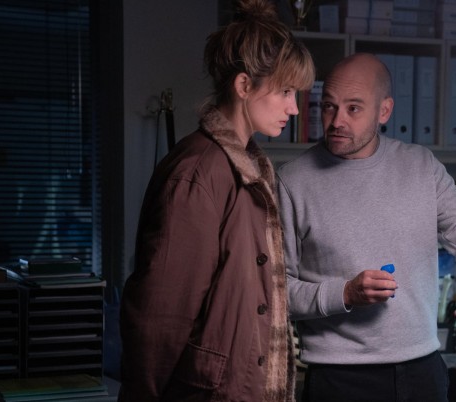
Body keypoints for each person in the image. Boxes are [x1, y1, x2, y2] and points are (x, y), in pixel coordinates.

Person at [276, 52, 456, 402]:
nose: (337, 120)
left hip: (422, 373)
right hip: (338, 378)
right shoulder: (292, 180)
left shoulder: (420, 166)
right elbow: (276, 293)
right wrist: (345, 294)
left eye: (353, 108)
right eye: (329, 106)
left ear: (384, 111)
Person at [117, 1, 315, 401]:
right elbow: (161, 314)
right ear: (244, 86)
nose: (294, 108)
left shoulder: (248, 168)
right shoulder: (199, 172)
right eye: (285, 92)